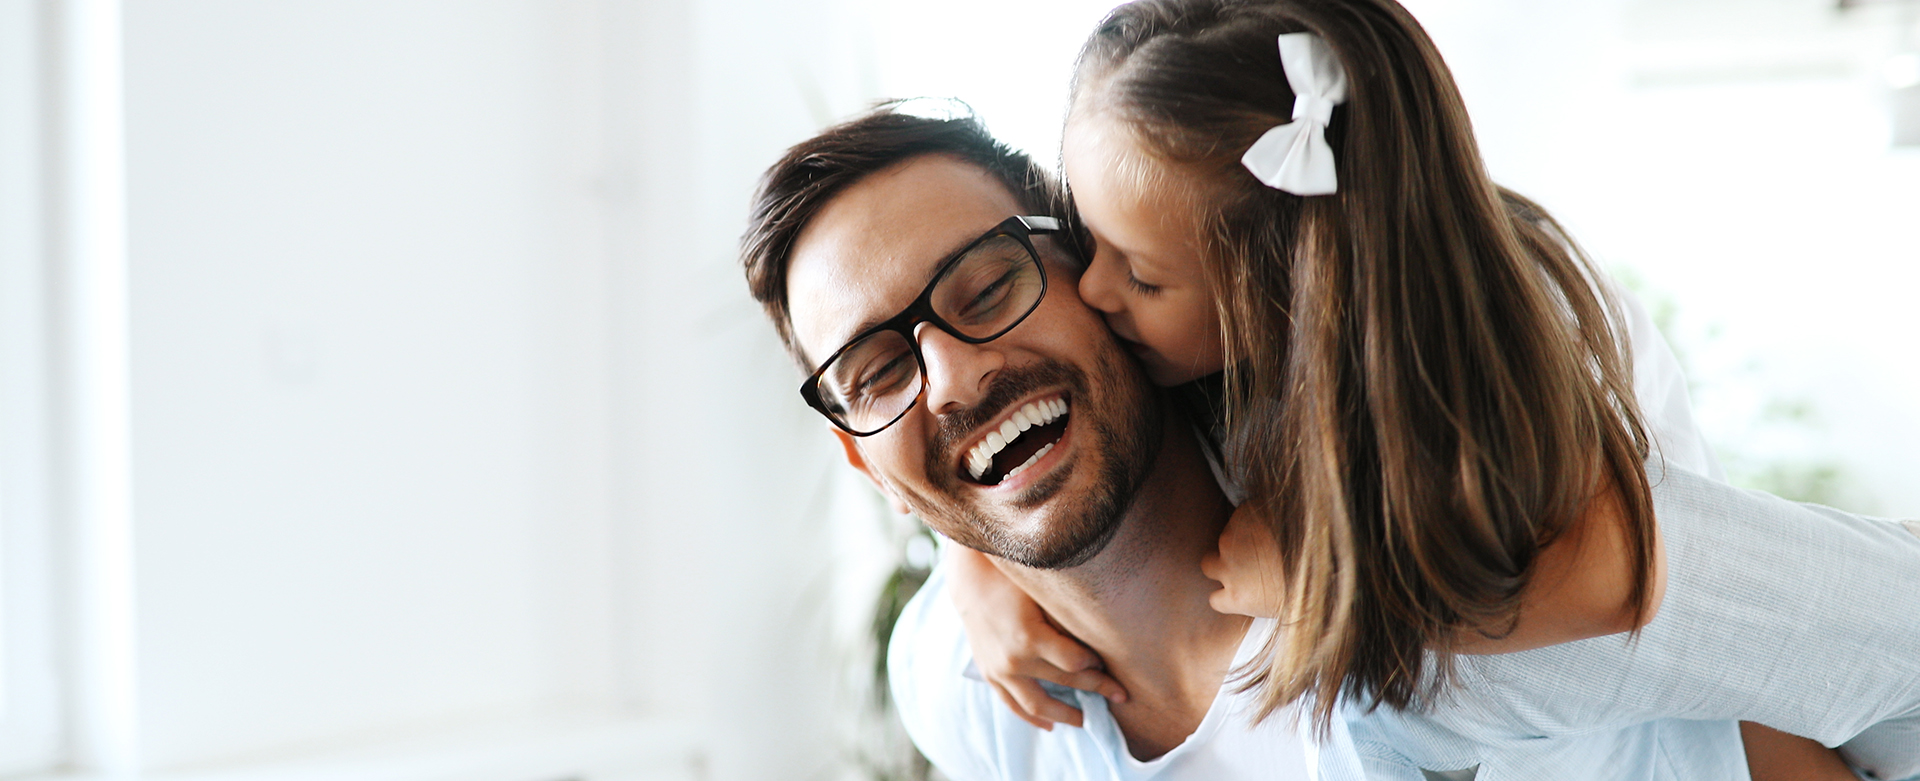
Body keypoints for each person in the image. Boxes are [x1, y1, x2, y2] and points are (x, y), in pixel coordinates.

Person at [949, 0, 1920, 779]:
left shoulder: (1505, 357)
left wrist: (1321, 587)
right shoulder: (1222, 332)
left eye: (1142, 274)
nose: (1091, 287)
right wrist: (975, 569)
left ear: (1290, 292)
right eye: (1083, 236)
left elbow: (1606, 596)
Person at [739, 106, 1770, 780]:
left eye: (990, 287)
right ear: (862, 461)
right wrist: (971, 556)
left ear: (1101, 280)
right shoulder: (958, 686)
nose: (954, 377)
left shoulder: (1459, 583)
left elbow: (1763, 719)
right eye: (875, 372)